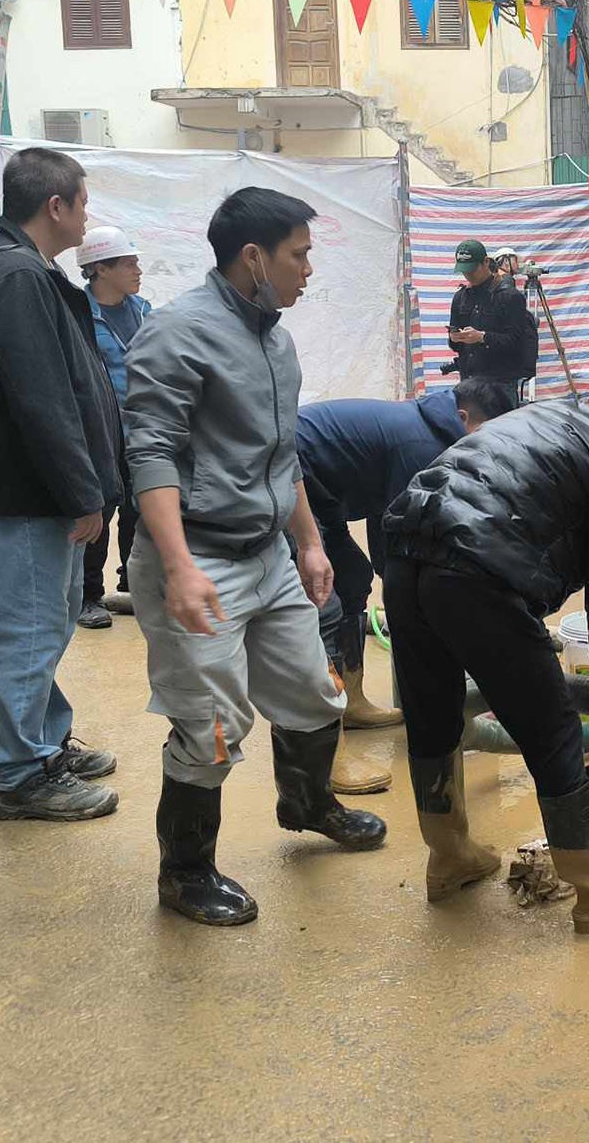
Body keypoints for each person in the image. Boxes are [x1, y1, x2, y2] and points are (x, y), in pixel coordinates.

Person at [126, 187, 385, 928]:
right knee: (211, 723)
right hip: (199, 555)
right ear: (253, 257)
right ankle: (185, 872)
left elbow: (283, 455)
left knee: (313, 690)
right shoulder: (177, 334)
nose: (309, 268)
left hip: (270, 552)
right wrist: (177, 566)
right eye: (298, 254)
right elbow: (149, 455)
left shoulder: (276, 336)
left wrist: (307, 540)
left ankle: (306, 802)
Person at [380, 384, 589, 930]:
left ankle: (449, 856)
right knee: (553, 726)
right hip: (474, 566)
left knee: (433, 710)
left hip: (404, 548)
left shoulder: (556, 416)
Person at [0, 147, 122, 821]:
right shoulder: (15, 276)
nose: (86, 214)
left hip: (29, 487)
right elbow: (41, 399)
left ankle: (45, 742)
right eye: (82, 201)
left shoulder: (25, 268)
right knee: (31, 625)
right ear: (56, 207)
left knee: (47, 617)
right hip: (23, 493)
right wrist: (82, 493)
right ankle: (22, 775)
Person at [295, 375, 519, 795]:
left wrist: (388, 573)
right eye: (487, 433)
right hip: (289, 482)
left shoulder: (428, 429)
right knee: (321, 603)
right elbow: (405, 528)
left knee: (353, 577)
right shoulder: (422, 444)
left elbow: (390, 513)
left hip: (323, 492)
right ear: (464, 417)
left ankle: (353, 701)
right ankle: (324, 755)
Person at [75, 224, 153, 630]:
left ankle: (133, 583)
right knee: (98, 513)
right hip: (100, 433)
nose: (137, 270)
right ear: (100, 269)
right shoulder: (80, 316)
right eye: (128, 263)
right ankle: (89, 596)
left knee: (140, 511)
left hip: (142, 430)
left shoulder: (145, 311)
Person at [446, 238, 538, 395]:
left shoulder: (509, 297)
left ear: (486, 262)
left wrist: (483, 337)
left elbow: (516, 342)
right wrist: (455, 338)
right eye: (464, 270)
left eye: (472, 269)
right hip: (469, 384)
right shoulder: (460, 298)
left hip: (500, 387)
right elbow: (456, 345)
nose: (468, 275)